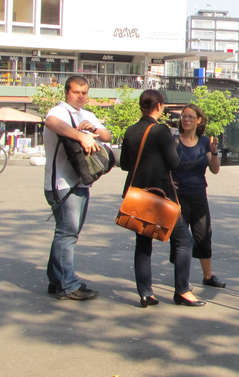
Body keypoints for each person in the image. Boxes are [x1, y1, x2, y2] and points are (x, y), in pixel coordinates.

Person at [120, 90, 204, 308]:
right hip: (160, 196)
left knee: (143, 242)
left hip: (138, 195)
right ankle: (182, 291)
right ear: (159, 105)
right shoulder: (161, 130)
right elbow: (174, 162)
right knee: (184, 241)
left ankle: (146, 293)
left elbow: (125, 164)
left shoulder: (130, 131)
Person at [42, 76, 111, 300]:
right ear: (66, 92)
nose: (81, 96)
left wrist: (93, 130)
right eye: (76, 92)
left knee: (65, 233)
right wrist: (80, 135)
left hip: (79, 183)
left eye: (84, 93)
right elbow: (51, 123)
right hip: (62, 184)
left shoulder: (87, 114)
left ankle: (57, 279)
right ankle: (68, 285)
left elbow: (107, 135)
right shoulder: (60, 111)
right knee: (67, 233)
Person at [172, 104, 225, 289]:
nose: (186, 120)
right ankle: (181, 280)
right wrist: (168, 181)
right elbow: (164, 165)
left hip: (198, 195)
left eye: (190, 117)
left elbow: (215, 170)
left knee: (203, 235)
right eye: (183, 116)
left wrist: (214, 151)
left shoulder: (204, 142)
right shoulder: (174, 141)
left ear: (199, 120)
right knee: (180, 238)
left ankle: (208, 276)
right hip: (178, 196)